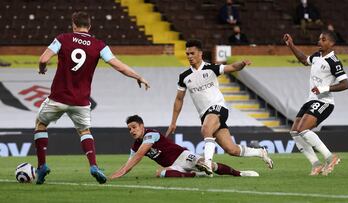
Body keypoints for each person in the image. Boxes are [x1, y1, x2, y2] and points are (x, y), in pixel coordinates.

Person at [34, 11, 150, 184]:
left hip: (58, 97)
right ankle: (94, 165)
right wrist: (138, 77)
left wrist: (43, 68)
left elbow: (43, 58)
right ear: (89, 26)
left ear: (73, 25)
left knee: (41, 125)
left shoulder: (63, 39)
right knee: (84, 131)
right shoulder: (99, 45)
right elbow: (119, 66)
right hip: (80, 101)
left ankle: (42, 165)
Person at [165, 39, 273, 176]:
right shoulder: (184, 76)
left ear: (200, 53)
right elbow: (179, 99)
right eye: (187, 54)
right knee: (231, 149)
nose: (189, 56)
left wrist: (242, 63)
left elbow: (232, 67)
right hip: (205, 114)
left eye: (192, 53)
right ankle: (260, 152)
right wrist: (173, 122)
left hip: (218, 107)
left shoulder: (211, 68)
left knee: (205, 129)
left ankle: (208, 163)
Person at [110, 115, 259, 179]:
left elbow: (138, 156)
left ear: (142, 126)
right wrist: (116, 174)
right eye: (129, 129)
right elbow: (129, 162)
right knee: (160, 174)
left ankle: (240, 173)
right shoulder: (135, 145)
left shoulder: (151, 134)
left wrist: (120, 174)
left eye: (134, 127)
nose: (132, 131)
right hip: (173, 165)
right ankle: (196, 175)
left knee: (208, 165)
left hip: (183, 156)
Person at [283, 31, 348, 176]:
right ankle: (316, 164)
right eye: (319, 39)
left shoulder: (334, 61)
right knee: (295, 132)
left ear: (331, 43)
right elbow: (303, 59)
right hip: (311, 99)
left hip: (324, 101)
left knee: (303, 130)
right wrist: (291, 45)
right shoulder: (316, 56)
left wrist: (324, 88)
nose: (319, 42)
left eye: (323, 39)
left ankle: (331, 157)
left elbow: (345, 84)